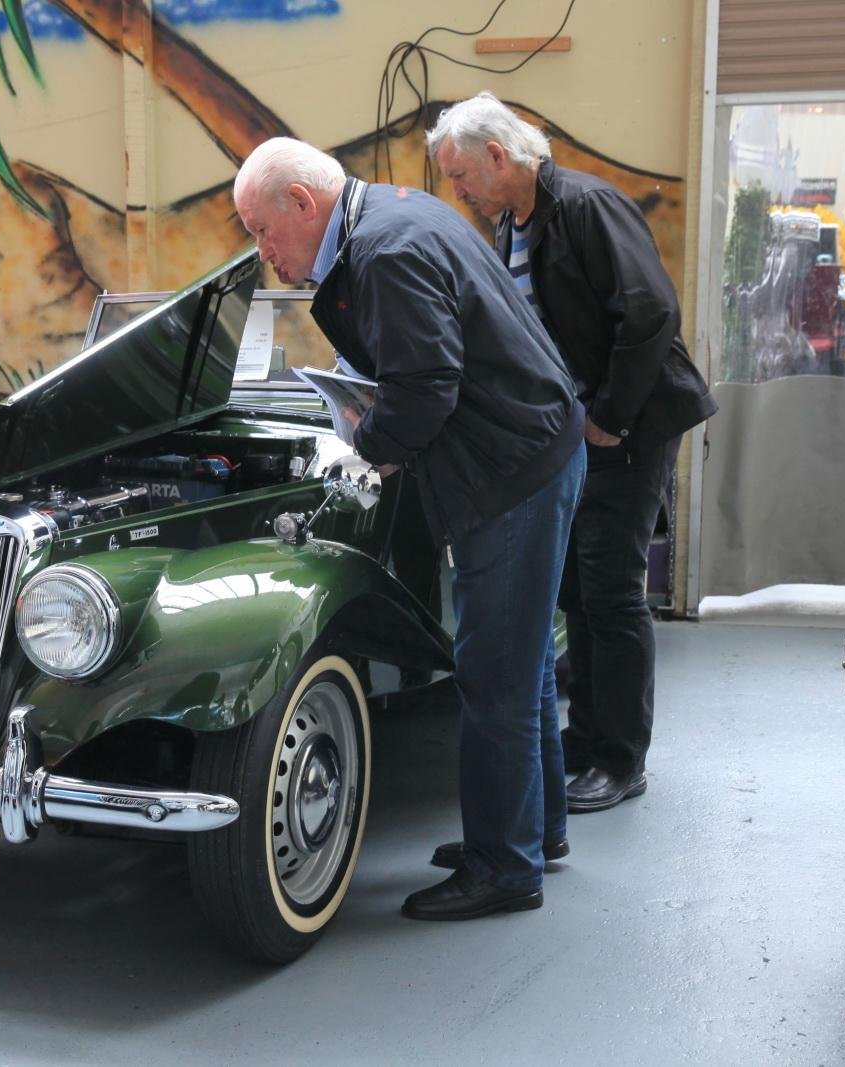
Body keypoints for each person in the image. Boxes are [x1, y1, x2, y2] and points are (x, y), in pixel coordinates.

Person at [233, 137, 585, 921]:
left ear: (303, 203)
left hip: (511, 469)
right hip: (532, 448)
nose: (263, 251)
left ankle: (505, 865)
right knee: (520, 660)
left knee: (493, 671)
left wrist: (362, 448)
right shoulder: (391, 216)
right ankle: (535, 830)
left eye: (262, 230)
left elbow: (425, 386)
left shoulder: (385, 251)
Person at [425, 92, 716, 816]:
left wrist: (608, 416)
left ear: (499, 157)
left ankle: (620, 760)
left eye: (460, 175)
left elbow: (650, 311)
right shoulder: (514, 222)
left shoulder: (586, 206)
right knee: (580, 592)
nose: (456, 192)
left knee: (611, 590)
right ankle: (588, 740)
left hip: (631, 422)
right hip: (583, 427)